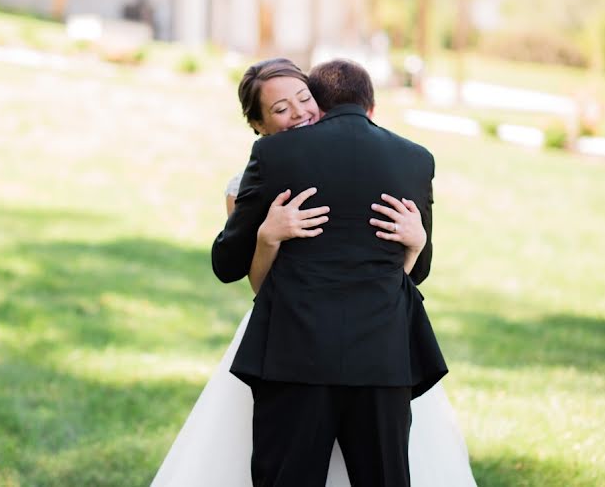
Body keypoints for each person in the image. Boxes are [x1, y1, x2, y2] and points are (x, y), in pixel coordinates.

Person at [151, 58, 475, 486]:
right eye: (281, 108)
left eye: (304, 98)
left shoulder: (272, 156)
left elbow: (225, 264)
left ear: (320, 99)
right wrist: (268, 235)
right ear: (258, 122)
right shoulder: (413, 158)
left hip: (297, 351)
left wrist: (416, 241)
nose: (300, 112)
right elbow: (416, 274)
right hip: (377, 354)